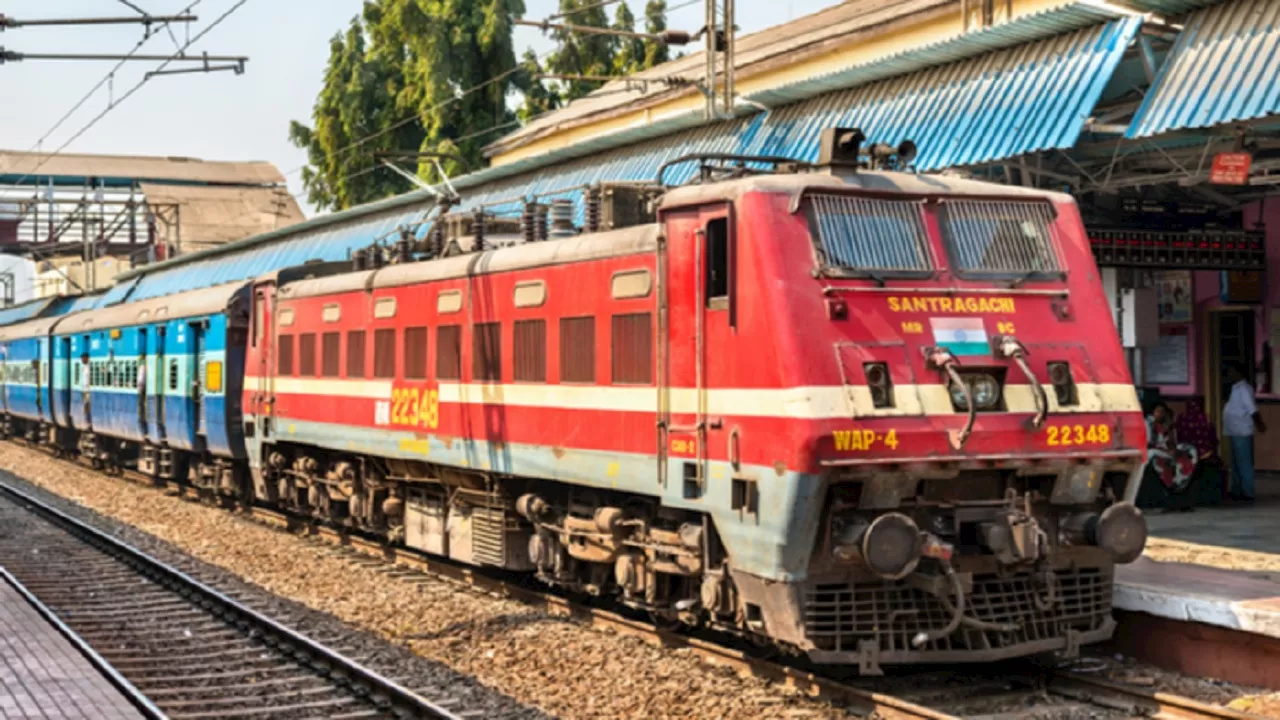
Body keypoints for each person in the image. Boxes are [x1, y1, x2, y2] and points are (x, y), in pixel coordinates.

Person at [1223, 363, 1266, 503]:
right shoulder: (1235, 388)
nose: (1228, 375)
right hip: (1234, 430)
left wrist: (1259, 424)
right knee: (1235, 464)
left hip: (1242, 431)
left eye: (1231, 371)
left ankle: (1248, 492)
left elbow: (1252, 409)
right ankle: (1237, 490)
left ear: (1238, 373)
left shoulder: (1244, 389)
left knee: (1244, 463)